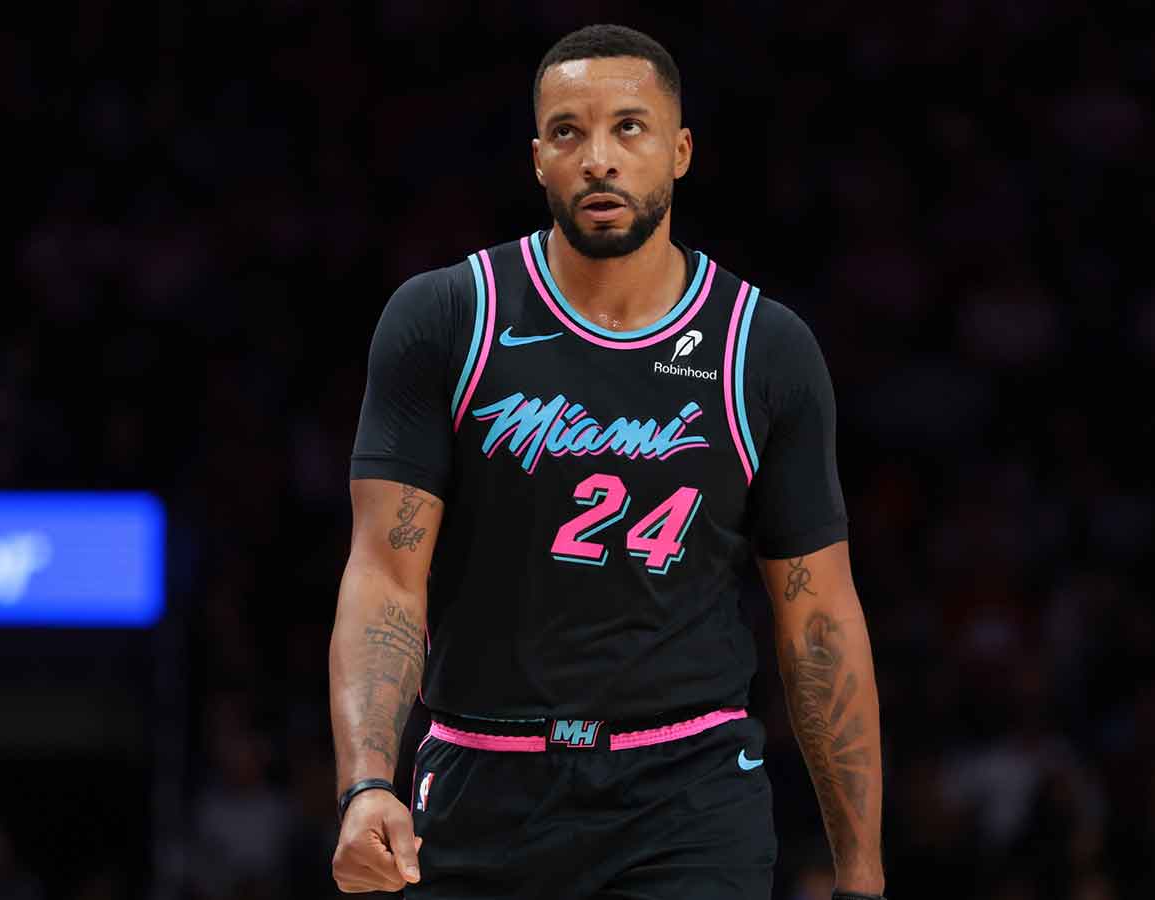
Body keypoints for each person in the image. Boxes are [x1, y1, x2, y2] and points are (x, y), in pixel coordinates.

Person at [330, 23, 886, 900]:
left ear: (680, 151)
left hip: (690, 791)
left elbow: (816, 620)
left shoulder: (762, 348)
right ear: (538, 160)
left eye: (629, 127)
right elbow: (385, 576)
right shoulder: (445, 318)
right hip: (481, 782)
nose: (599, 158)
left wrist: (862, 874)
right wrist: (366, 782)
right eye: (568, 132)